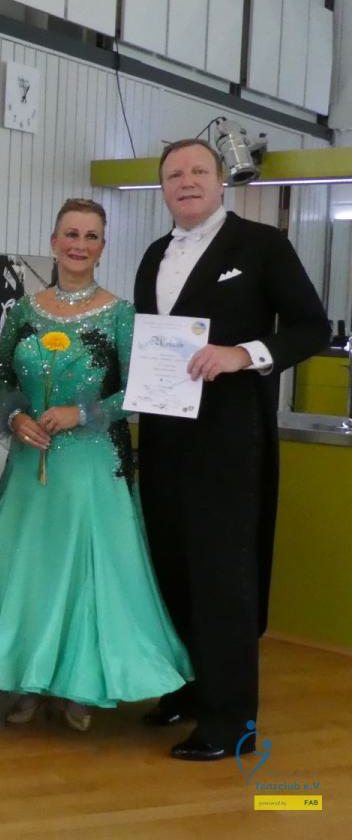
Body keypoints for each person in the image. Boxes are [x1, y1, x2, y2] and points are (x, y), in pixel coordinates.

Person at [0, 198, 193, 730]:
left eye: (91, 236)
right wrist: (17, 416)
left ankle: (78, 685)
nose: (79, 245)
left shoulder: (120, 314)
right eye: (71, 234)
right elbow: (2, 381)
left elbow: (140, 391)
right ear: (53, 242)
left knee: (84, 572)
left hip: (93, 464)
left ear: (103, 247)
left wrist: (82, 412)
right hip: (31, 461)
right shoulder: (25, 310)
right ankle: (28, 678)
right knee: (30, 569)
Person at [135, 140, 328, 760]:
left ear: (222, 182)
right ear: (163, 188)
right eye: (174, 174)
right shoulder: (154, 254)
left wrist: (245, 354)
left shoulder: (262, 246)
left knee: (223, 577)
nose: (186, 181)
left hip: (228, 441)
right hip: (162, 437)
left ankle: (231, 721)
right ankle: (188, 690)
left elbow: (311, 327)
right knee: (171, 566)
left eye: (199, 171)